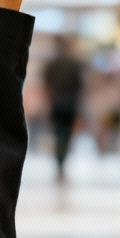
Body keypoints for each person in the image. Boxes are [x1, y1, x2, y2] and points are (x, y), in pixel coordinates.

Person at [42, 35, 84, 181]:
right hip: (70, 104)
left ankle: (59, 163)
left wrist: (48, 102)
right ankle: (61, 162)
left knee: (58, 133)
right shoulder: (75, 63)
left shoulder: (52, 64)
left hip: (56, 103)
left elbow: (46, 86)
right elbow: (80, 87)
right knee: (65, 135)